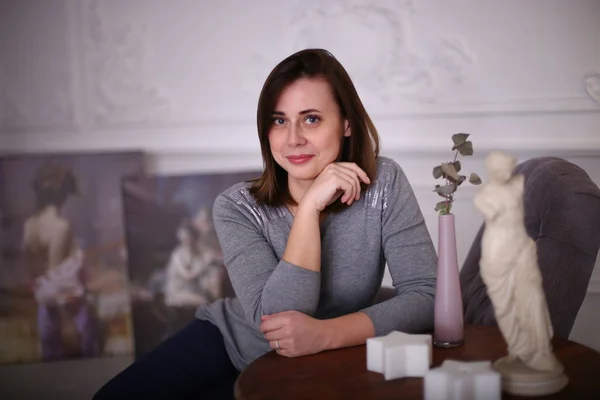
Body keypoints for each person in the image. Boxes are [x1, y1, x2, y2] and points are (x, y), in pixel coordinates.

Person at [94, 48, 437, 399]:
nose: (293, 139)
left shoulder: (383, 183)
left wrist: (325, 335)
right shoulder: (237, 207)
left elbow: (428, 296)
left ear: (346, 122)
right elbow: (277, 320)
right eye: (279, 120)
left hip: (326, 359)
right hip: (229, 343)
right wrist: (309, 211)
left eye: (312, 119)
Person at [475, 151, 559, 372]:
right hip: (497, 253)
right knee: (505, 306)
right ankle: (517, 348)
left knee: (532, 299)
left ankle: (536, 351)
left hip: (521, 248)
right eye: (500, 169)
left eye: (508, 168)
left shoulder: (518, 184)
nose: (505, 173)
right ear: (492, 170)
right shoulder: (484, 197)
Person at [23, 163, 101, 361]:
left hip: (43, 294)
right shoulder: (61, 226)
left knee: (50, 348)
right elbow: (55, 271)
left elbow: (35, 268)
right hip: (65, 296)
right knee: (87, 338)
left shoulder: (29, 225)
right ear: (64, 194)